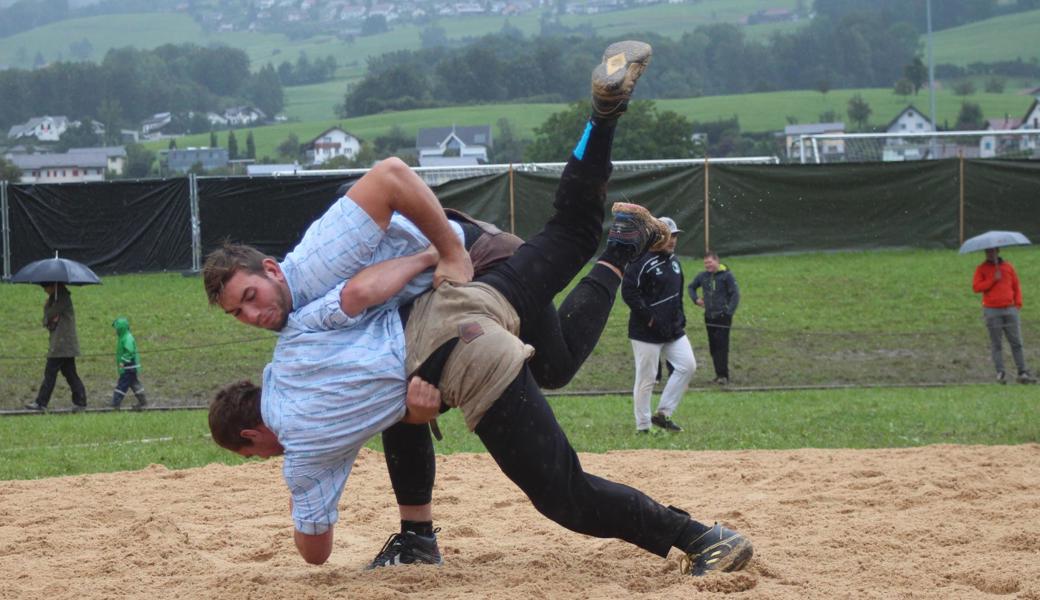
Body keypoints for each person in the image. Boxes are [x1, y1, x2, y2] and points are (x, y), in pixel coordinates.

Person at [208, 41, 753, 577]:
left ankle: (701, 538)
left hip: (469, 274)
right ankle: (604, 121)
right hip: (449, 305)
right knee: (569, 251)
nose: (252, 315)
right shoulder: (296, 336)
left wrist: (441, 250)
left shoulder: (315, 277)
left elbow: (314, 551)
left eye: (249, 298)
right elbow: (358, 301)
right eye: (238, 314)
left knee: (563, 492)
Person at [621, 216, 695, 433]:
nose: (672, 240)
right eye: (667, 236)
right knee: (647, 379)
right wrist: (650, 318)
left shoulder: (674, 262)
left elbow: (677, 295)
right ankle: (642, 426)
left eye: (675, 236)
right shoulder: (639, 261)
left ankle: (663, 414)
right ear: (655, 237)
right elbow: (629, 292)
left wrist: (680, 317)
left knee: (687, 365)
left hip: (673, 330)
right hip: (646, 332)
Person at [972, 247, 1036, 384]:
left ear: (998, 251)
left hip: (1010, 309)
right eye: (988, 251)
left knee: (1017, 342)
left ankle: (1022, 371)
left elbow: (1016, 286)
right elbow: (976, 287)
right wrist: (992, 280)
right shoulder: (981, 268)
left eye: (993, 251)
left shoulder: (1008, 267)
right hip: (992, 311)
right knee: (997, 344)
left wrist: (1017, 304)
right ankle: (1000, 373)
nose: (990, 253)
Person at [24, 282, 87, 411]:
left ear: (53, 286)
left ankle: (41, 403)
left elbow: (50, 314)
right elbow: (46, 321)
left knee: (50, 373)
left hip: (61, 345)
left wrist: (47, 306)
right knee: (70, 373)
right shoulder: (57, 298)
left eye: (45, 288)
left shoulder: (62, 298)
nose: (44, 291)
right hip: (63, 344)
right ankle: (81, 401)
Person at [688, 251, 740, 385]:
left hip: (723, 317)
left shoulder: (727, 276)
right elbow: (691, 287)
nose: (707, 265)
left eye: (710, 262)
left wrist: (729, 312)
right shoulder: (703, 276)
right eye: (705, 263)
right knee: (713, 346)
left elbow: (735, 294)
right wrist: (696, 299)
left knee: (722, 346)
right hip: (709, 317)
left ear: (717, 261)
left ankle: (724, 375)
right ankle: (718, 374)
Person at [111, 316, 148, 410]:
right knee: (134, 383)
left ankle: (116, 402)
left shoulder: (127, 338)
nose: (115, 331)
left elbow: (130, 351)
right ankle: (143, 401)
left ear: (120, 328)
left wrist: (123, 360)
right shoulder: (124, 337)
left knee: (122, 384)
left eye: (116, 328)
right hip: (130, 367)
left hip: (129, 366)